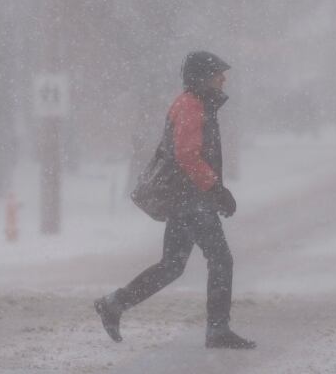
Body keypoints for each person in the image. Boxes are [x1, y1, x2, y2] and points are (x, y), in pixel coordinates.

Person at [94, 51, 254, 349]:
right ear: (203, 78)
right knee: (220, 259)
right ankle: (217, 330)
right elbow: (186, 155)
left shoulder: (195, 104)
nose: (223, 78)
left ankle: (114, 304)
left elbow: (188, 156)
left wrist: (213, 191)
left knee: (172, 265)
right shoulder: (191, 106)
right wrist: (216, 189)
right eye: (218, 73)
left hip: (187, 198)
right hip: (190, 199)